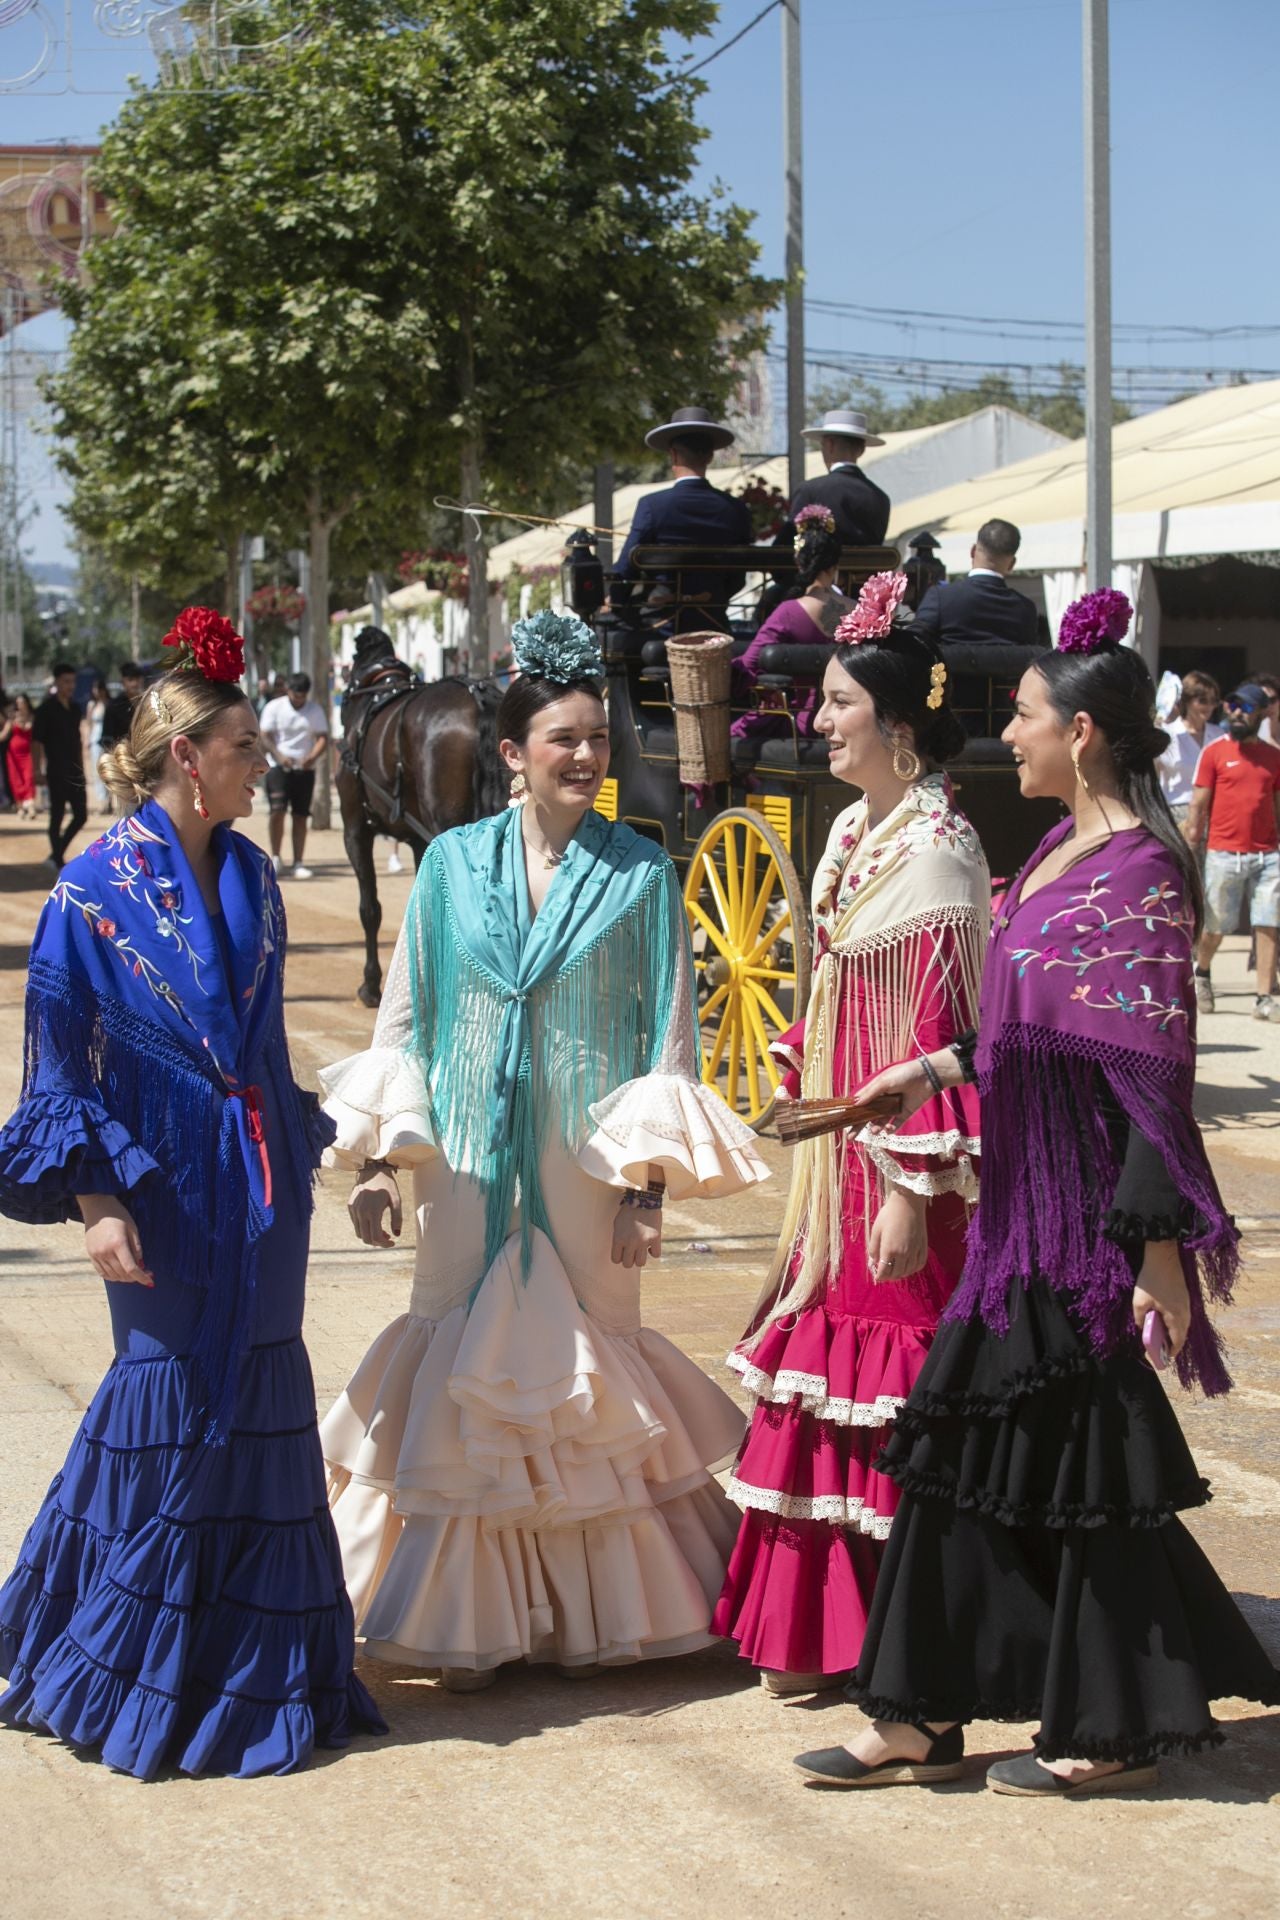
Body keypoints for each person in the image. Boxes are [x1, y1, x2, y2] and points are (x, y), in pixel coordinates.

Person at [793, 590, 1279, 1796]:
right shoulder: (1052, 854)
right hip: (1017, 1213)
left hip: (1081, 1227)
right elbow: (1023, 1029)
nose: (1003, 736)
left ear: (1084, 735)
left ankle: (1095, 1721)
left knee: (1075, 1472)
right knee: (976, 1460)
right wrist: (922, 1070)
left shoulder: (1140, 875)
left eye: (1020, 717)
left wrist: (1154, 1258)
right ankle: (921, 1714)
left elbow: (1147, 1084)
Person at [318, 611, 769, 1688]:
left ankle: (591, 1619)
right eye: (561, 740)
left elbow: (669, 1038)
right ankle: (444, 1613)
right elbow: (406, 1017)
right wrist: (382, 1161)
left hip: (585, 1165)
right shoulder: (447, 867)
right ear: (512, 755)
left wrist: (645, 1190)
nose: (583, 758)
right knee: (449, 1350)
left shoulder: (641, 873)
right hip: (463, 1159)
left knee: (591, 1370)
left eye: (597, 741)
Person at [0, 606, 385, 1779]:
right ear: (187, 756)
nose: (260, 761)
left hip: (259, 1191)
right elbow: (60, 1066)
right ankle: (113, 1660)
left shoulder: (259, 876)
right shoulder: (88, 894)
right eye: (242, 748)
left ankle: (263, 1671)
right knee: (165, 1395)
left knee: (264, 1390)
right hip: (157, 1186)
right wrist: (96, 1200)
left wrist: (337, 1159)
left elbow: (263, 1049)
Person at [714, 572, 987, 1691]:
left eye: (835, 704)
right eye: (819, 703)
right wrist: (800, 1073)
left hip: (897, 1171)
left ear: (899, 728)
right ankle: (818, 1630)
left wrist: (913, 1197)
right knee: (825, 1346)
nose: (815, 721)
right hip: (836, 1165)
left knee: (895, 1373)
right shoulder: (843, 835)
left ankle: (912, 1638)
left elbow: (935, 1037)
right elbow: (826, 995)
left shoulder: (935, 852)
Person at [1183, 682, 1280, 1022]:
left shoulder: (1273, 757)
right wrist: (1189, 845)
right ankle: (1204, 972)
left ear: (1261, 713)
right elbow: (1198, 804)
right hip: (1223, 853)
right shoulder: (1214, 752)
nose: (1236, 712)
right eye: (1232, 706)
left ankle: (1264, 998)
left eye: (1246, 708)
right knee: (1217, 927)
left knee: (1268, 923)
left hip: (1268, 855)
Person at [613, 406, 754, 627]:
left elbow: (625, 570)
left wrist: (619, 606)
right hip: (715, 624)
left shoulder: (652, 506)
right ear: (709, 456)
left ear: (673, 455)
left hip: (661, 627)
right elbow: (737, 578)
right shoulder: (736, 510)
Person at [731, 507, 846, 746]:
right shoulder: (856, 608)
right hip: (850, 723)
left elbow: (749, 665)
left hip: (805, 724)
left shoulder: (790, 612)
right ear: (836, 564)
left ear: (798, 561)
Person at [910, 519, 1039, 648]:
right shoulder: (1025, 609)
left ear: (972, 551)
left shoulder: (940, 597)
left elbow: (913, 647)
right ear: (1012, 564)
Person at [785, 409, 891, 548]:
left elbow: (784, 549)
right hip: (865, 570)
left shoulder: (810, 491)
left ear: (829, 445)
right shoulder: (880, 498)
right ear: (861, 449)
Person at [259, 670, 329, 879]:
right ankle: (276, 856)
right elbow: (265, 735)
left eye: (302, 696)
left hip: (304, 769)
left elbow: (322, 738)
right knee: (277, 811)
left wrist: (312, 757)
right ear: (288, 690)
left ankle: (298, 861)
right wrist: (279, 756)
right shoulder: (274, 707)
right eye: (295, 695)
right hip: (279, 767)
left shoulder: (314, 711)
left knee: (300, 815)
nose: (298, 700)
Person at [31, 660, 87, 872]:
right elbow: (36, 742)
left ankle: (56, 854)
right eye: (66, 682)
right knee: (57, 815)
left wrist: (82, 767)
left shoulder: (74, 708)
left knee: (81, 815)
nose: (70, 686)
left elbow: (78, 739)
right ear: (56, 682)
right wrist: (37, 770)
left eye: (72, 682)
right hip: (56, 770)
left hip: (74, 770)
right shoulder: (45, 709)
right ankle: (57, 859)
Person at [1156, 669, 1224, 829]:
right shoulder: (1167, 733)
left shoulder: (1219, 734)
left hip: (1212, 812)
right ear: (1186, 701)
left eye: (1213, 701)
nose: (1208, 706)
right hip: (1176, 812)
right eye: (1202, 700)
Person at [2, 693, 38, 818]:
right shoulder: (12, 719)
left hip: (28, 752)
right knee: (15, 779)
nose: (20, 705)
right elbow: (3, 735)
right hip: (13, 754)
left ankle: (31, 807)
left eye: (22, 702)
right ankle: (20, 807)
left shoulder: (33, 717)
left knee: (29, 778)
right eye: (18, 703)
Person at [99, 661, 146, 752]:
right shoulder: (114, 706)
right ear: (123, 681)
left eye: (138, 679)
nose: (135, 684)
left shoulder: (148, 704)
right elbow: (107, 740)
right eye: (130, 680)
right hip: (122, 758)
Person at [82, 675, 110, 814]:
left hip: (106, 738)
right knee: (96, 769)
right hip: (95, 738)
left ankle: (108, 800)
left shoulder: (108, 704)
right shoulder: (92, 705)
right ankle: (101, 800)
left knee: (108, 769)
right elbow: (88, 723)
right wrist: (87, 738)